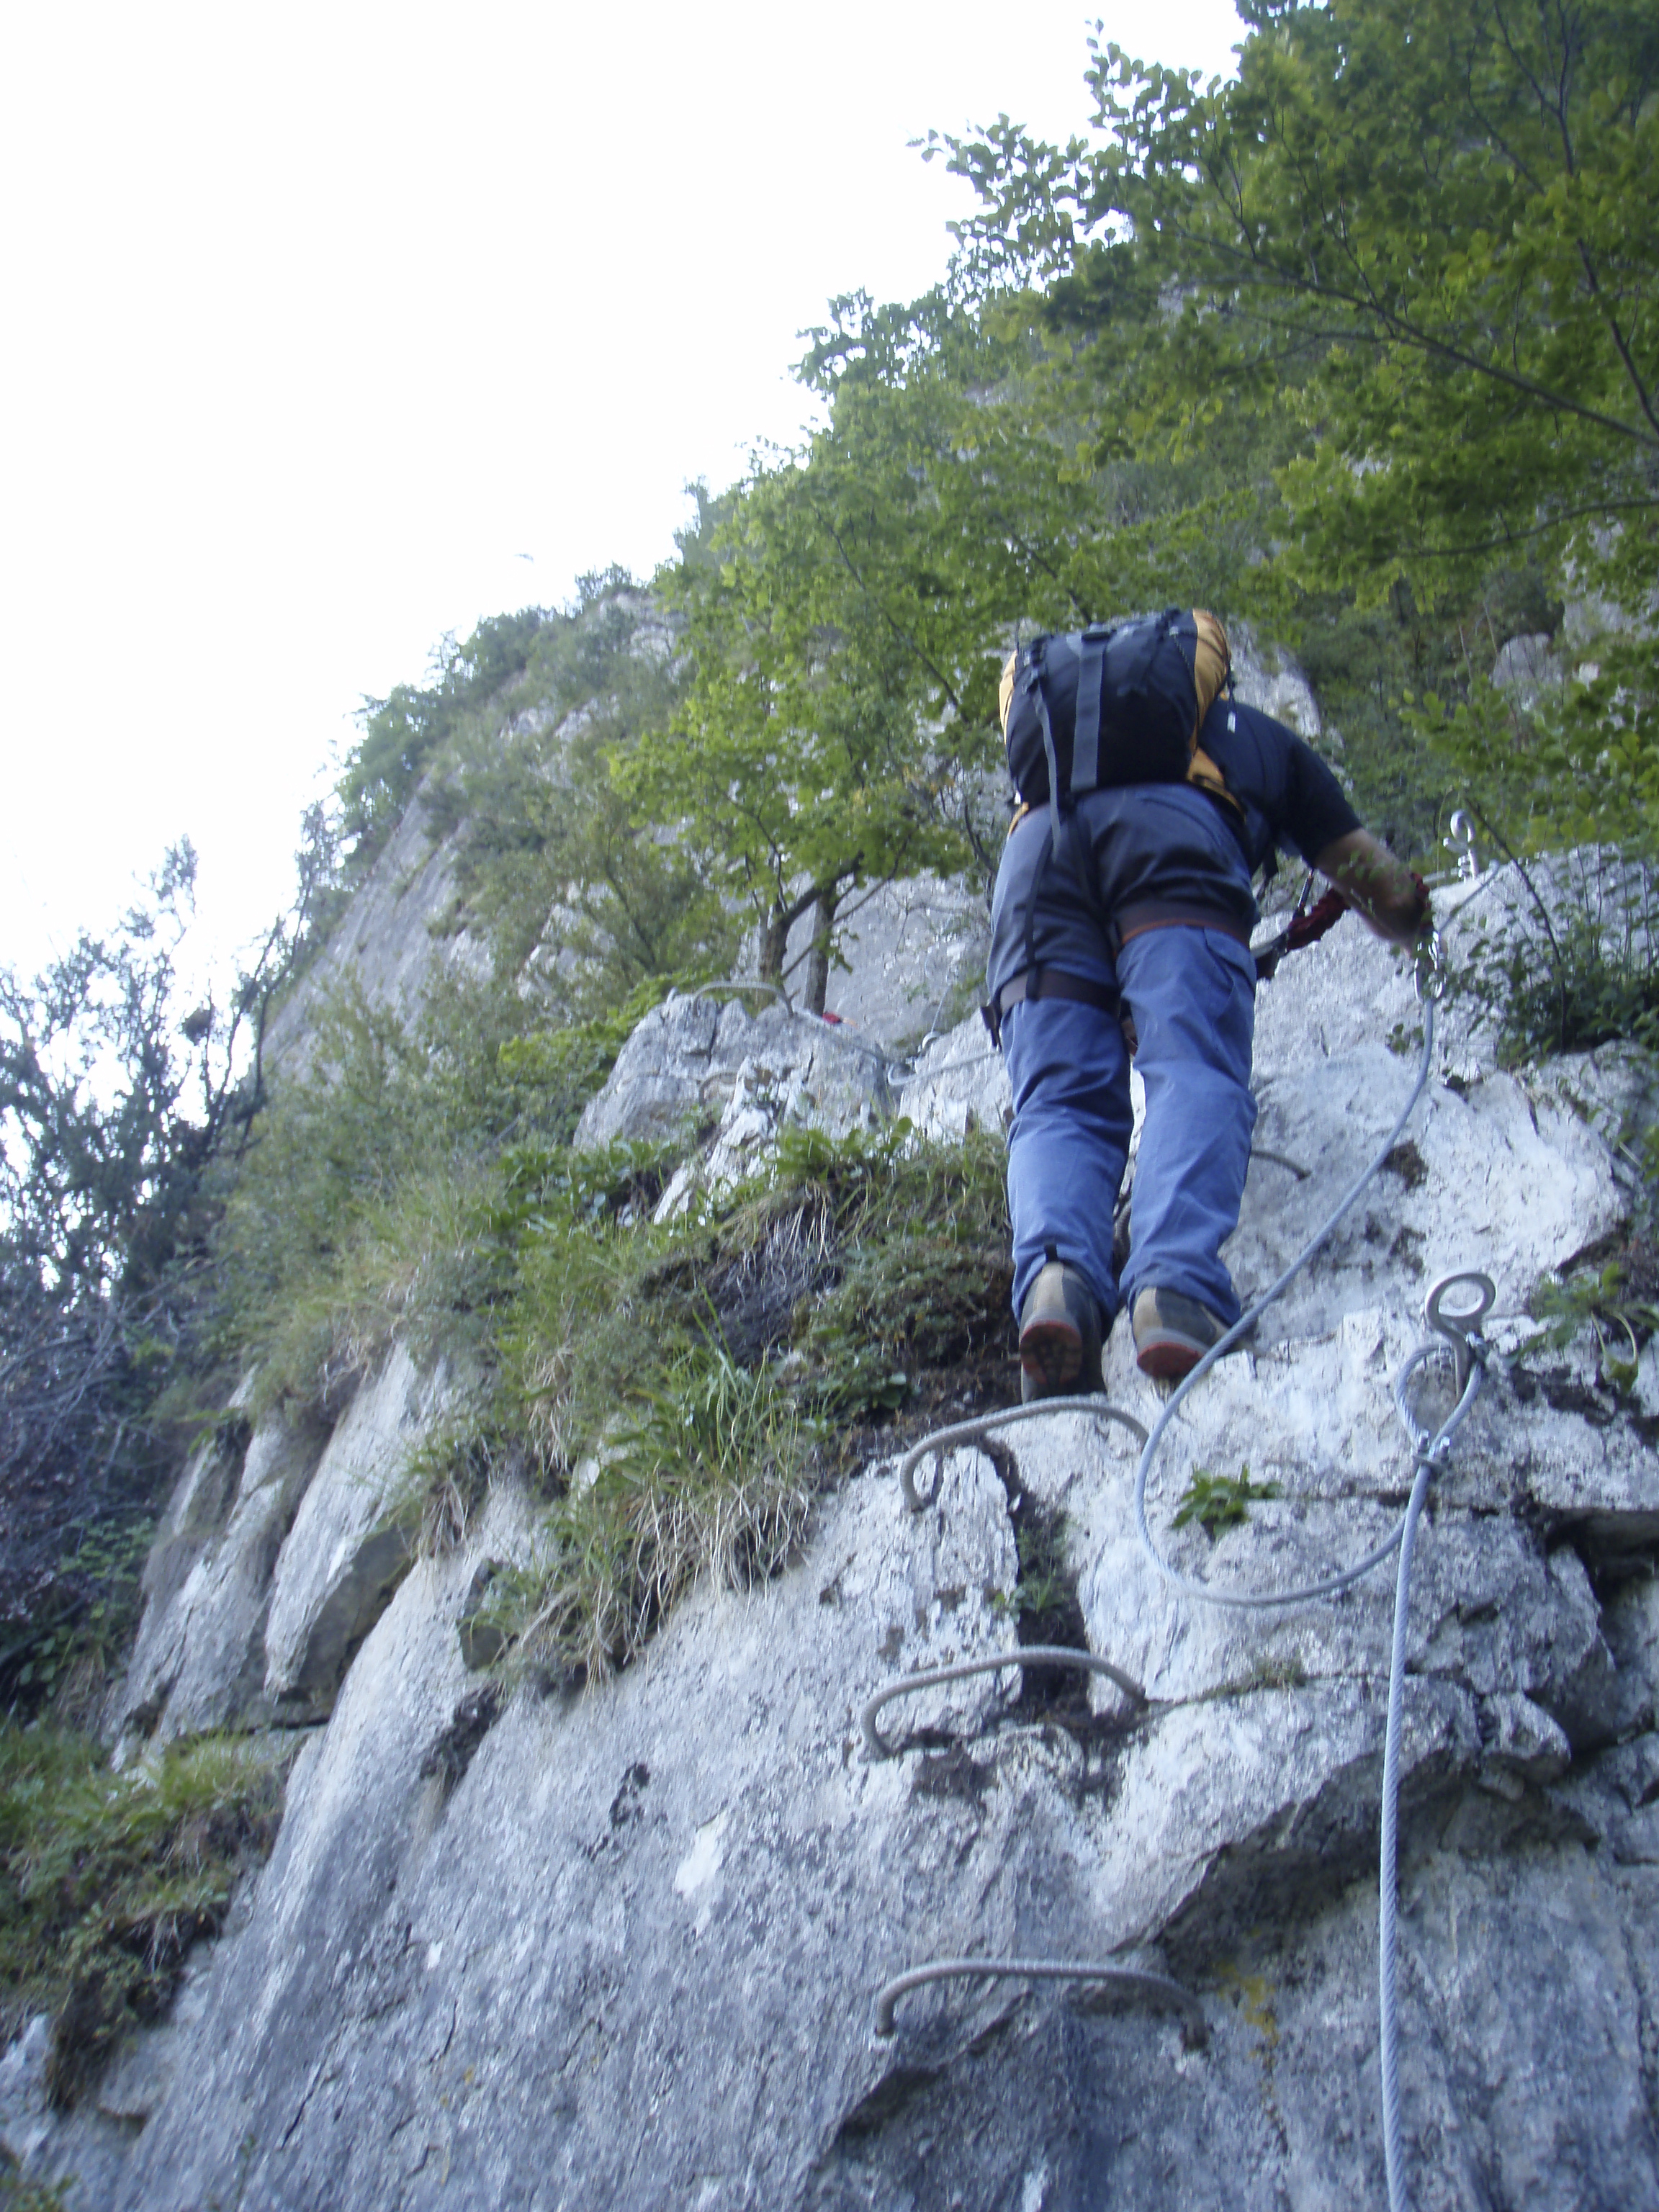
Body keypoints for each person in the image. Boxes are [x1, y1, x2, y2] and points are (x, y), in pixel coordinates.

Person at [984, 685, 1431, 1401]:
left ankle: (1056, 1283)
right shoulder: (1257, 740)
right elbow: (1372, 880)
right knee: (1193, 1070)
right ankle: (1173, 1288)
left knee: (1058, 1104)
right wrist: (1414, 919)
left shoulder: (1060, 757)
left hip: (1034, 866)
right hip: (1175, 852)